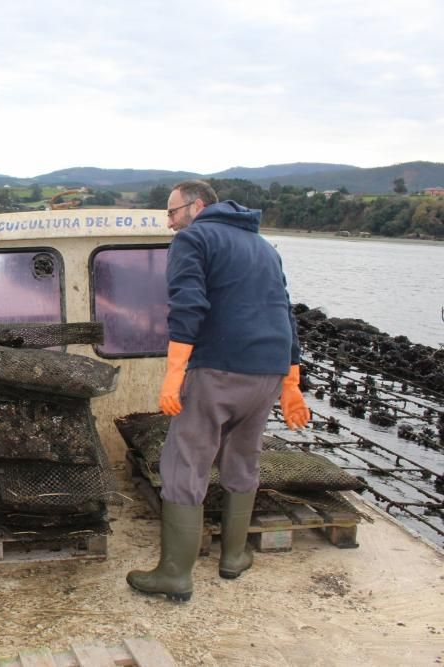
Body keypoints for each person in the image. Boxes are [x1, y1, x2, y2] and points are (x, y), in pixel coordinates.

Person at [127, 179, 310, 602]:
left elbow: (187, 305)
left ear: (196, 206)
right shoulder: (265, 248)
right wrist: (290, 381)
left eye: (172, 213)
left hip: (219, 370)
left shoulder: (194, 239)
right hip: (265, 373)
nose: (169, 223)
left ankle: (175, 574)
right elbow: (284, 310)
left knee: (185, 462)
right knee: (243, 457)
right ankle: (234, 556)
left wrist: (174, 375)